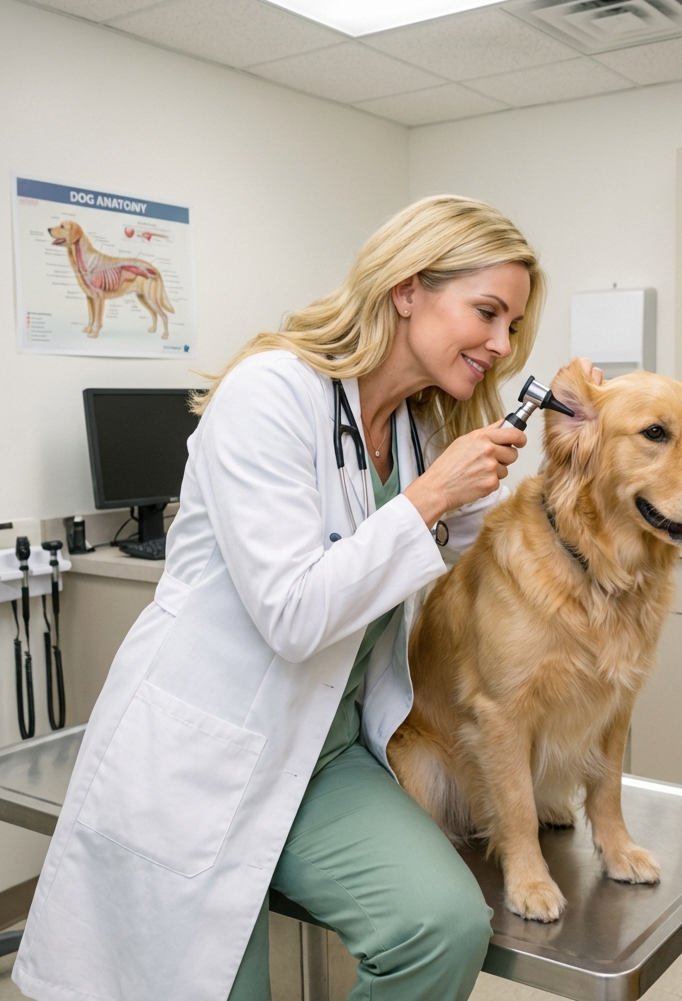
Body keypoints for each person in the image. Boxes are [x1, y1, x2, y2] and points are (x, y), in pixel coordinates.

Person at [14, 196, 550, 1001]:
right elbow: (295, 616)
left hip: (326, 755)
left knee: (441, 925)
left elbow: (497, 567)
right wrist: (427, 502)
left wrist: (595, 450)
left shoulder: (417, 433)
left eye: (513, 325)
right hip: (205, 751)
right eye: (488, 312)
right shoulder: (269, 393)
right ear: (408, 288)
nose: (502, 345)